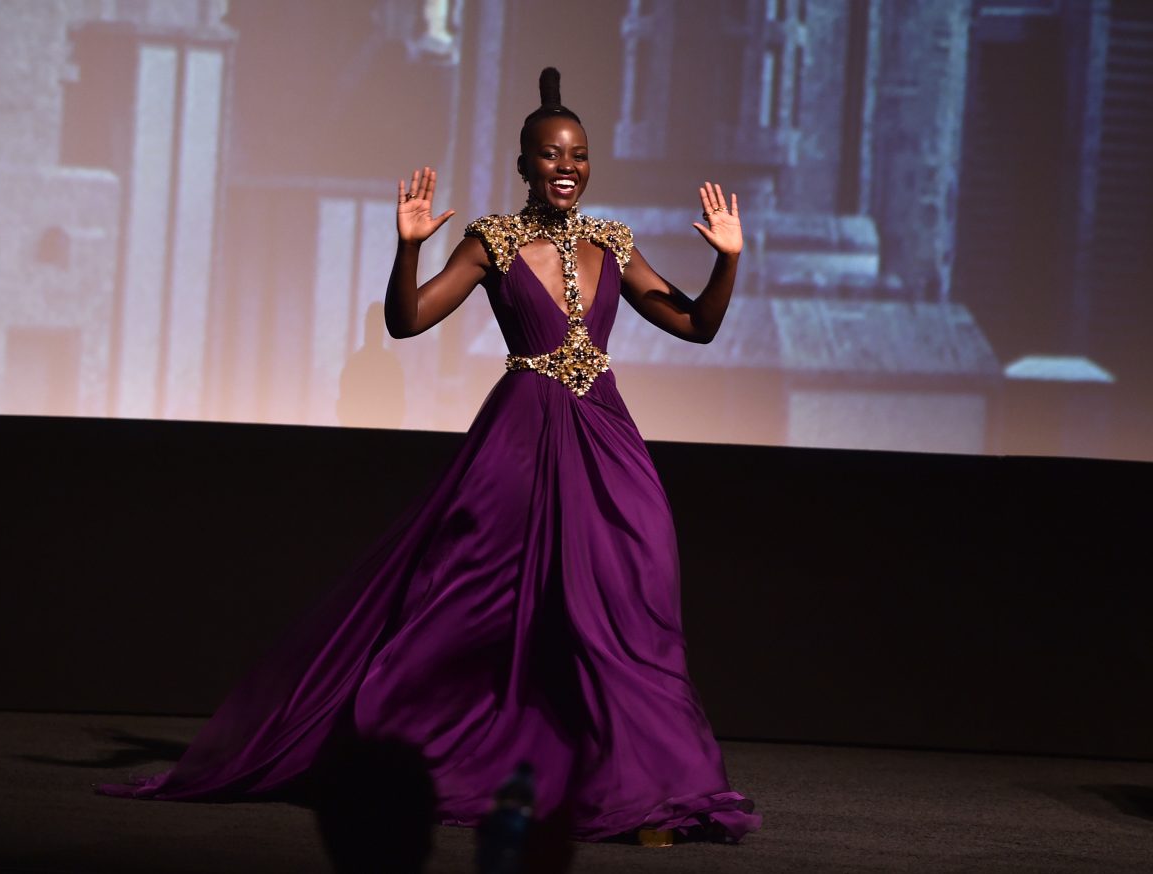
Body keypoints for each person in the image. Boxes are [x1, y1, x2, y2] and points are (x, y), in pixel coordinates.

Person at [100, 67, 760, 845]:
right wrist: (409, 249)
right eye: (550, 154)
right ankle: (418, 758)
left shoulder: (613, 243)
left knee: (631, 602)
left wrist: (727, 262)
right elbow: (408, 321)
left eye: (578, 154)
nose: (566, 167)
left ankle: (653, 785)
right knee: (468, 604)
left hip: (606, 440)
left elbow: (697, 327)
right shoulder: (494, 240)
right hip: (520, 442)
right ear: (524, 166)